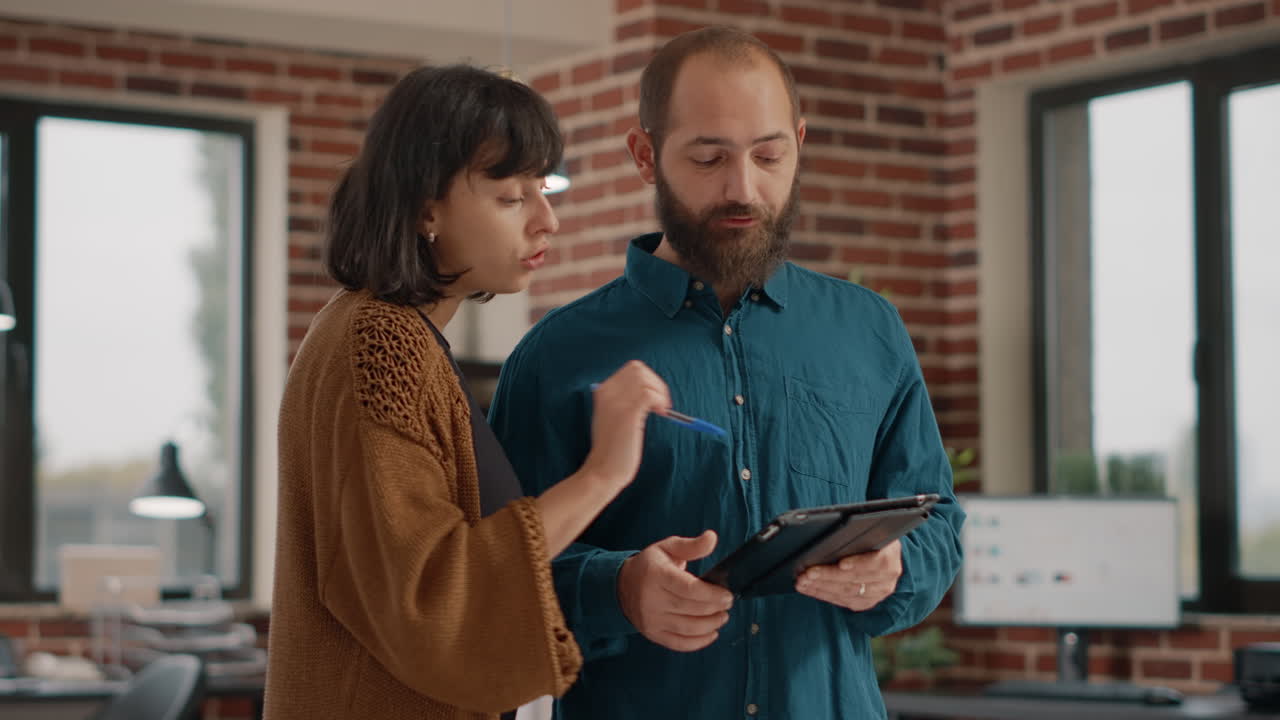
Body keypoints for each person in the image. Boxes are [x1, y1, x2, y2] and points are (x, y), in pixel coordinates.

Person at [488, 27, 965, 719]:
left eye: (769, 155)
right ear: (645, 155)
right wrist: (616, 589)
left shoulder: (870, 330)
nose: (743, 188)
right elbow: (494, 579)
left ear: (798, 142)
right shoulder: (557, 355)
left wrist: (897, 566)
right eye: (709, 157)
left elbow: (937, 520)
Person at [263, 64, 673, 720]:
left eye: (543, 189)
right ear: (426, 207)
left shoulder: (378, 328)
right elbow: (430, 593)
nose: (548, 221)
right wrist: (602, 474)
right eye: (512, 197)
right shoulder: (382, 340)